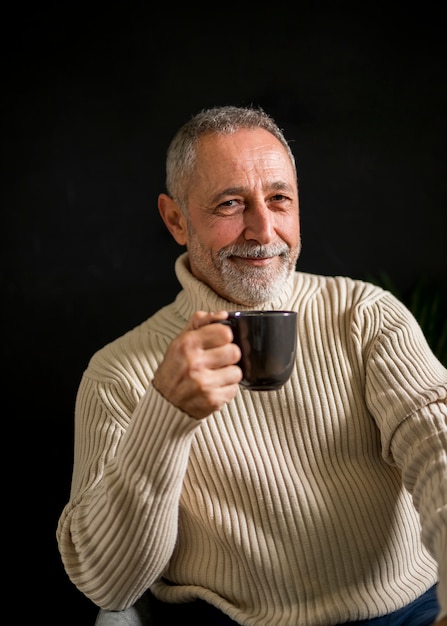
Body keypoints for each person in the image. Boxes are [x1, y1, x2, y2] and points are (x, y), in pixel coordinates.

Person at [56, 105, 447, 626]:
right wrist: (164, 417)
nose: (263, 230)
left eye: (279, 199)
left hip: (407, 613)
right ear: (176, 219)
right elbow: (108, 583)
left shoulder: (365, 315)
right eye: (231, 204)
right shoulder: (116, 374)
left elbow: (437, 446)